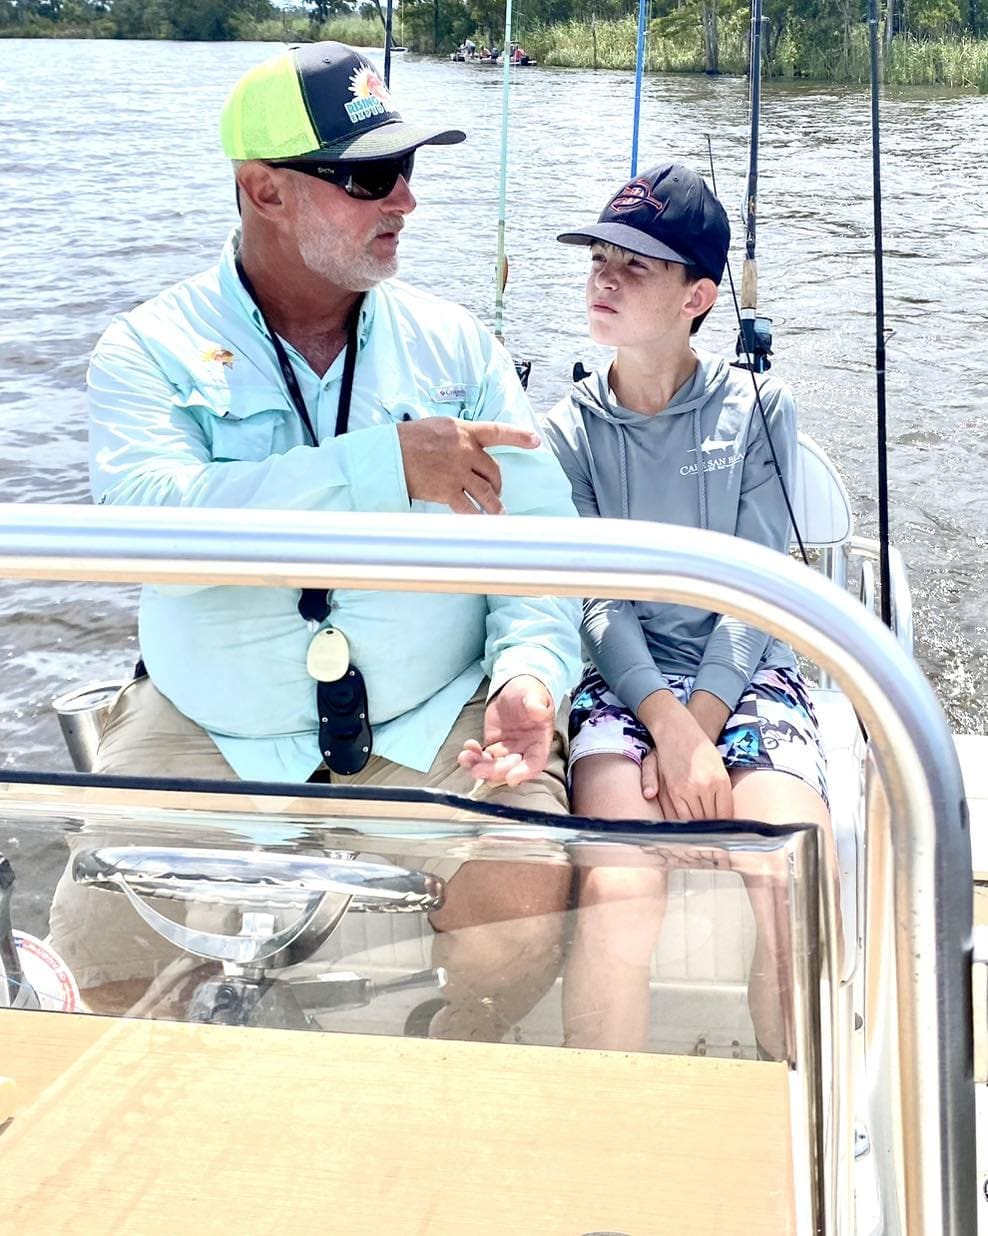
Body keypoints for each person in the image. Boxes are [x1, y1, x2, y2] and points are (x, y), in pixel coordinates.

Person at [49, 42, 582, 1041]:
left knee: (525, 907)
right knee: (96, 942)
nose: (405, 203)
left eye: (410, 171)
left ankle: (439, 1059)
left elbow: (541, 545)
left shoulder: (458, 347)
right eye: (369, 176)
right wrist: (383, 469)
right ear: (265, 192)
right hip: (214, 722)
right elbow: (155, 527)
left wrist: (528, 674)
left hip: (429, 721)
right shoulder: (145, 349)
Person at [542, 162, 833, 1059]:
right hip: (623, 683)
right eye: (600, 256)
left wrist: (702, 724)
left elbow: (754, 586)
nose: (604, 276)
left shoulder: (759, 407)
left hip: (745, 672)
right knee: (622, 888)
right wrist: (668, 725)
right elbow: (593, 599)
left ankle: (796, 1131)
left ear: (698, 296)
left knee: (792, 877)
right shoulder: (565, 429)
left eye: (636, 265)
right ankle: (603, 1135)